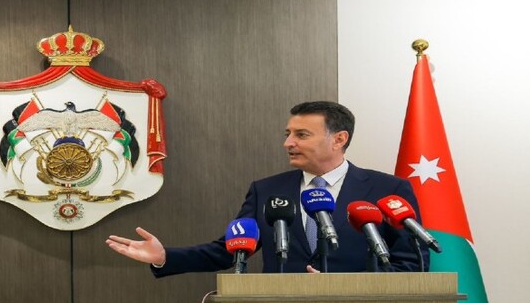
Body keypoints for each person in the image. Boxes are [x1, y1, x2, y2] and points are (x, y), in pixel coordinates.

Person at [106, 101, 428, 275]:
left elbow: (411, 264)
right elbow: (230, 250)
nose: (288, 143)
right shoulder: (267, 190)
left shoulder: (387, 189)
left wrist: (345, 287)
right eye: (288, 134)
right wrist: (166, 256)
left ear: (339, 139)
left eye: (301, 135)